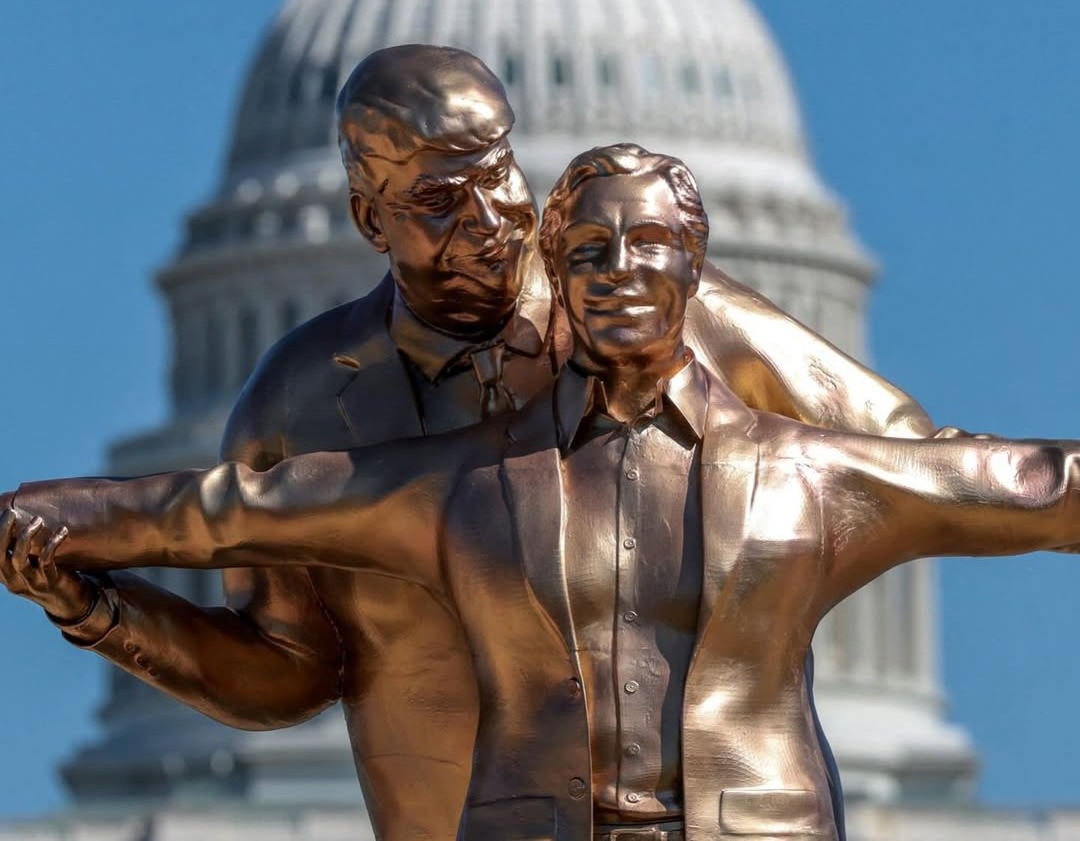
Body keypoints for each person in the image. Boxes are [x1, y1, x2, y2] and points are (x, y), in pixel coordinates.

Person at [8, 145, 1080, 840]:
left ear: (697, 271)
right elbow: (230, 510)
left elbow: (1036, 483)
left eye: (650, 243)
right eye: (588, 249)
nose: (619, 268)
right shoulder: (465, 483)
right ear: (552, 279)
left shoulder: (817, 475)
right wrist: (47, 523)